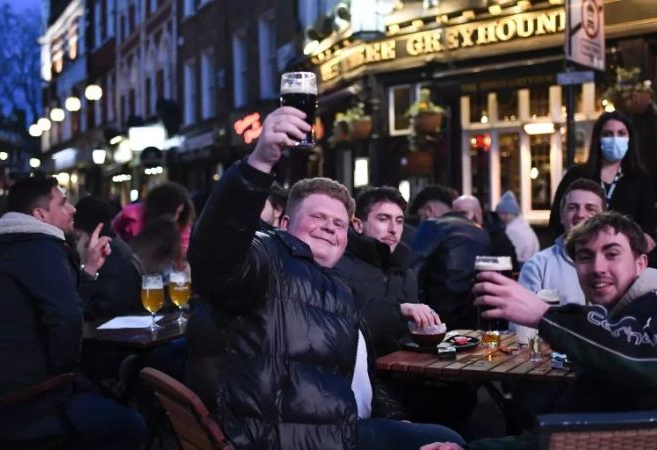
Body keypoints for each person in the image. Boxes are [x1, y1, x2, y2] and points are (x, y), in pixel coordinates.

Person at [187, 107, 464, 450]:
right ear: (285, 226)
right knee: (448, 438)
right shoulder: (268, 260)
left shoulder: (338, 287)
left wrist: (397, 421)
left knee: (446, 432)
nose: (331, 227)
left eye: (340, 223)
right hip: (290, 439)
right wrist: (258, 162)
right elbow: (214, 252)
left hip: (342, 429)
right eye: (318, 217)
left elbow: (359, 378)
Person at [423, 213, 657, 450]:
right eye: (585, 256)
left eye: (612, 254)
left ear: (640, 263)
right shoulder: (619, 322)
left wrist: (544, 316)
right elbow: (565, 430)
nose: (597, 267)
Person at [0, 176, 145, 448]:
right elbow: (68, 319)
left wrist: (89, 270)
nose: (72, 209)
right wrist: (65, 373)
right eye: (63, 202)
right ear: (40, 214)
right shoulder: (39, 248)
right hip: (23, 406)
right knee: (132, 425)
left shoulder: (5, 246)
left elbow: (59, 306)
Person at [337, 186, 439, 356]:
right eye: (383, 219)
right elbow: (343, 327)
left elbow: (410, 335)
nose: (393, 229)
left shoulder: (406, 272)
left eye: (399, 221)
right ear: (358, 225)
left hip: (403, 372)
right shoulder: (339, 266)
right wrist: (399, 310)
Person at [549, 111, 655, 237]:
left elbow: (649, 229)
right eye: (607, 134)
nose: (615, 139)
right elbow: (556, 219)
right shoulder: (576, 175)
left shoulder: (640, 180)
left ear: (630, 139)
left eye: (621, 133)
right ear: (598, 139)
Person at [409, 186, 491, 330]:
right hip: (474, 323)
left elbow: (411, 271)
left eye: (421, 215)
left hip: (436, 323)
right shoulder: (481, 232)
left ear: (429, 211)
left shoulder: (430, 225)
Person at [518, 179, 605, 305]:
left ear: (604, 218)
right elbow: (521, 321)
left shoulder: (618, 265)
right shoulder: (538, 267)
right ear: (562, 216)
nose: (580, 214)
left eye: (590, 208)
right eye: (572, 208)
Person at [73, 195, 142, 320]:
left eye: (77, 237)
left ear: (90, 234)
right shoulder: (117, 248)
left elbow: (102, 310)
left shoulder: (108, 255)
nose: (75, 244)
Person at [112, 181, 195, 256]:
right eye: (176, 212)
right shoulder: (131, 214)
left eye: (180, 213)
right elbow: (112, 233)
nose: (176, 216)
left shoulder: (182, 222)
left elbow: (181, 251)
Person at [454, 194, 519, 270]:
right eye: (454, 214)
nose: (457, 218)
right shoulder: (455, 236)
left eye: (463, 213)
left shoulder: (496, 237)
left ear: (478, 213)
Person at [494, 191, 538, 265]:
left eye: (500, 213)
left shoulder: (511, 230)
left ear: (505, 214)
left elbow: (512, 256)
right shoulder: (524, 226)